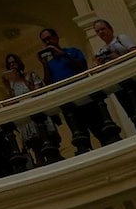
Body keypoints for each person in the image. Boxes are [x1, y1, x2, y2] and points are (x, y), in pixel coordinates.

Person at [35, 25, 101, 154]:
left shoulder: (72, 51)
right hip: (68, 104)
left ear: (56, 38)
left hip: (85, 98)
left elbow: (82, 67)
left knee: (99, 129)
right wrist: (44, 64)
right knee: (81, 138)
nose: (48, 42)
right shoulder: (50, 63)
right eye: (45, 41)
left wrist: (63, 55)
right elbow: (48, 82)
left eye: (49, 38)